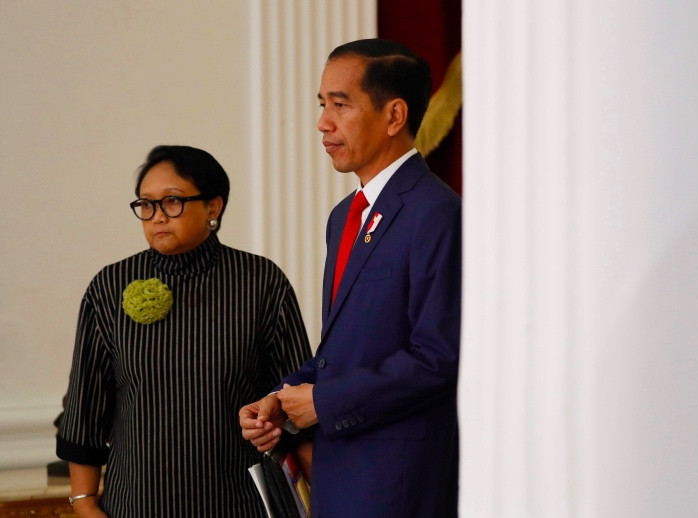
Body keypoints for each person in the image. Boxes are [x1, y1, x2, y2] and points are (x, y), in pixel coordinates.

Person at [240, 39, 462, 517]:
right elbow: (344, 350)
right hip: (340, 473)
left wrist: (325, 401)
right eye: (323, 105)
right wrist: (282, 398)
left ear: (394, 115)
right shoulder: (345, 216)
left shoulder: (437, 213)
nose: (323, 122)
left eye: (340, 105)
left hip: (401, 477)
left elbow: (438, 358)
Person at [57, 145, 311, 517]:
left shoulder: (260, 282)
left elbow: (298, 400)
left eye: (172, 201)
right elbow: (85, 407)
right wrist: (84, 504)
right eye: (146, 205)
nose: (157, 216)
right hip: (136, 504)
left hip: (240, 503)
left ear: (213, 207)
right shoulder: (109, 287)